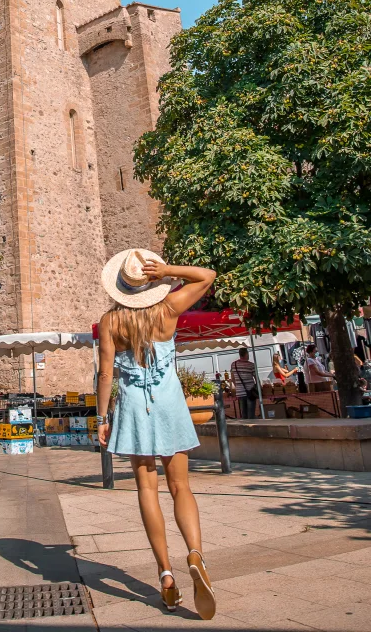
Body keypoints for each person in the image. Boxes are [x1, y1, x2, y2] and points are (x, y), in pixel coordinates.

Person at [97, 248, 217, 620]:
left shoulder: (109, 322)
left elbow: (105, 374)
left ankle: (166, 575)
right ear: (148, 284)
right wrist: (165, 271)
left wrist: (102, 416)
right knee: (181, 486)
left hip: (133, 406)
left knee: (146, 488)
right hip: (169, 402)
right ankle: (195, 554)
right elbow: (207, 275)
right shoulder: (167, 309)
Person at [230, 347, 258, 419]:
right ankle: (252, 427)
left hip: (240, 392)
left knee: (244, 414)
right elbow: (256, 379)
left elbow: (232, 378)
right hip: (251, 392)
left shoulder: (234, 364)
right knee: (251, 414)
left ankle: (245, 427)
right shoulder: (251, 365)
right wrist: (258, 388)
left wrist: (238, 386)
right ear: (246, 354)